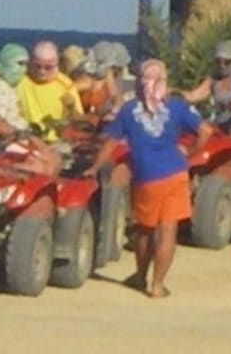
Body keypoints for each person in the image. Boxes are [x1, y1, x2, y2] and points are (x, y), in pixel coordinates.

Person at [83, 59, 213, 299]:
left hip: (146, 177)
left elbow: (110, 143)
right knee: (168, 230)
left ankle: (140, 275)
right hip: (175, 173)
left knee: (145, 230)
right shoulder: (176, 107)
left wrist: (95, 167)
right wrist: (192, 153)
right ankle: (157, 285)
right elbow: (206, 130)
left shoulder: (128, 110)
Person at [0, 43, 61, 176]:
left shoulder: (6, 88)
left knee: (52, 156)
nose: (24, 69)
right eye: (20, 64)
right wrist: (23, 135)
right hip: (1, 146)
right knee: (45, 162)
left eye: (26, 65)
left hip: (12, 141)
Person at [15, 41, 83, 143]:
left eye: (48, 67)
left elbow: (78, 120)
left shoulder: (66, 85)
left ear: (56, 64)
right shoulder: (18, 79)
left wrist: (71, 108)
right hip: (23, 139)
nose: (42, 71)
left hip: (54, 142)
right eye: (37, 66)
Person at [183, 39, 231, 137]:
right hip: (220, 126)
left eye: (227, 62)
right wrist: (171, 92)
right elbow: (193, 96)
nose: (222, 65)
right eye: (218, 61)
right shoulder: (213, 79)